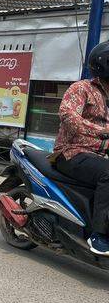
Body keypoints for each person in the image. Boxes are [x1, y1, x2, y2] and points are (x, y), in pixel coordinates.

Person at [53, 41, 109, 255]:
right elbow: (68, 116)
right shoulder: (82, 88)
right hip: (71, 153)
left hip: (97, 155)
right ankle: (99, 235)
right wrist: (102, 131)